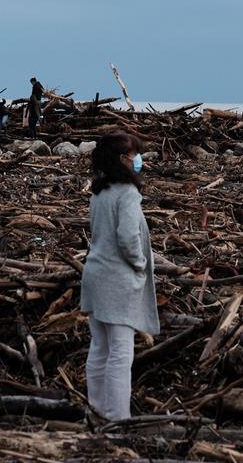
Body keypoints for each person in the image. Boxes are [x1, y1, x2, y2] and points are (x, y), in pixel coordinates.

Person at [80, 131, 159, 421]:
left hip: (95, 274)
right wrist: (139, 264)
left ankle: (97, 407)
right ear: (122, 160)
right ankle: (117, 416)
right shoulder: (127, 192)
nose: (138, 160)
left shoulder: (99, 191)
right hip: (117, 280)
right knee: (121, 352)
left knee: (100, 346)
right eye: (134, 155)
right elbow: (127, 236)